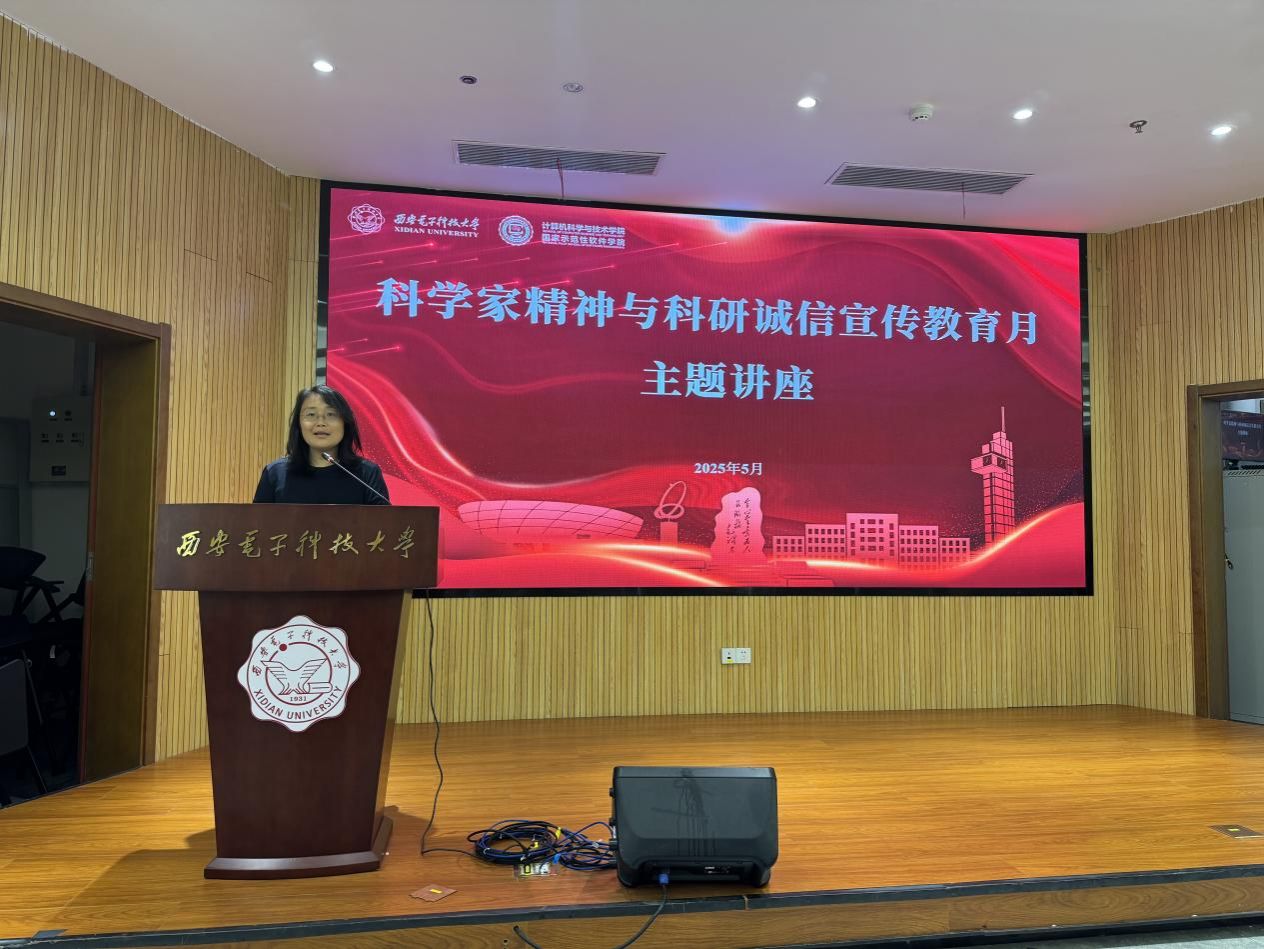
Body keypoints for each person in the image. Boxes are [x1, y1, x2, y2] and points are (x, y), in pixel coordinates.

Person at [253, 385, 391, 505]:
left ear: (345, 423)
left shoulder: (366, 474)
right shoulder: (275, 473)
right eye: (311, 414)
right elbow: (258, 524)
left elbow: (384, 524)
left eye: (331, 414)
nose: (321, 422)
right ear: (298, 424)